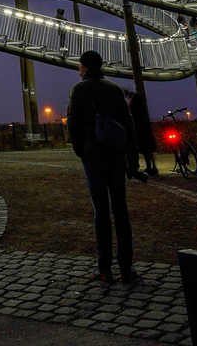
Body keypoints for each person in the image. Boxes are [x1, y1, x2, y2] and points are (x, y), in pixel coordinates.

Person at [66, 50, 137, 284]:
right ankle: (126, 268)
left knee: (101, 212)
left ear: (84, 68)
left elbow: (73, 126)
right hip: (115, 154)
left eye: (80, 66)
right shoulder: (115, 89)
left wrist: (80, 150)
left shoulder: (79, 90)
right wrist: (132, 157)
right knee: (121, 210)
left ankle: (104, 267)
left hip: (92, 156)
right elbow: (129, 124)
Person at [126, 90, 155, 182]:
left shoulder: (134, 107)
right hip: (144, 132)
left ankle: (146, 168)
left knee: (142, 150)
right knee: (147, 151)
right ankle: (151, 167)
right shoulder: (141, 109)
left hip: (139, 132)